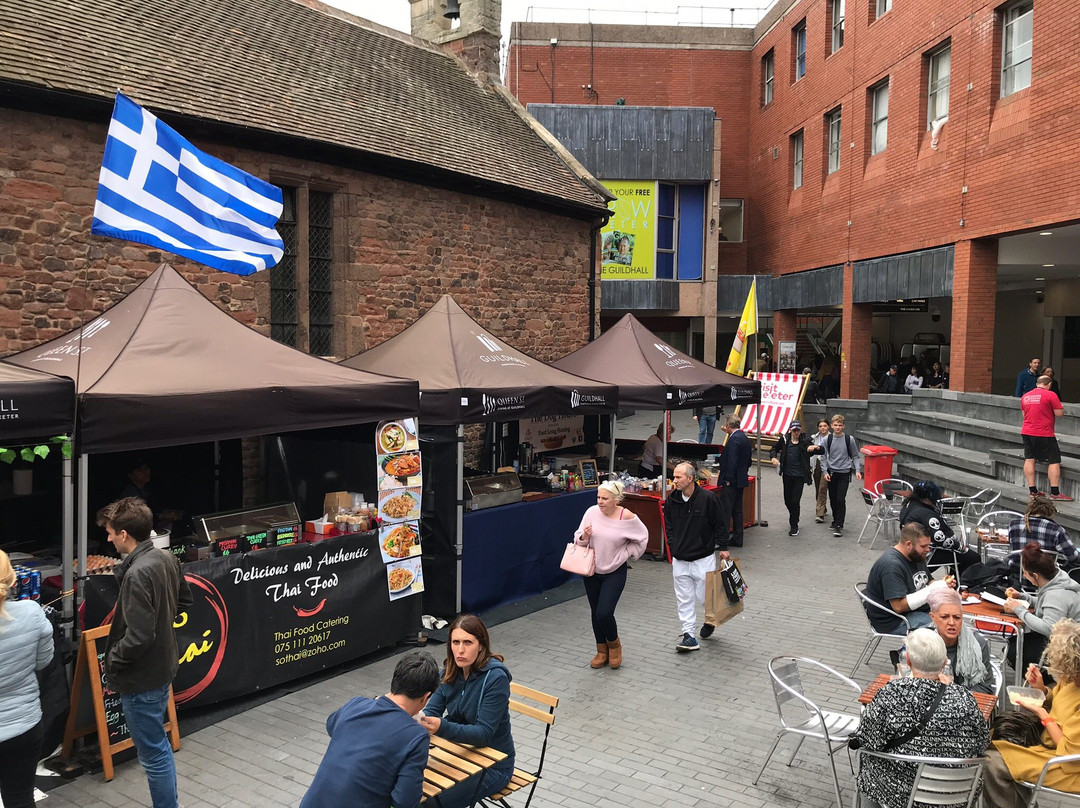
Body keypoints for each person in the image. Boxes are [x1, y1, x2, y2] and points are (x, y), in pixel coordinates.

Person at [99, 497, 193, 808]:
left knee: (153, 754)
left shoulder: (138, 573)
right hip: (162, 668)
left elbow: (138, 636)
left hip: (142, 678)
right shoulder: (166, 559)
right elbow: (185, 601)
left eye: (111, 532)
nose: (109, 538)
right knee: (159, 749)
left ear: (124, 534)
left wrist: (113, 660)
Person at [849, 629, 989, 808]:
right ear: (945, 662)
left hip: (899, 792)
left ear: (908, 661)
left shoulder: (891, 694)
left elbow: (868, 740)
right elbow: (983, 742)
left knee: (866, 760)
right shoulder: (965, 698)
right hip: (954, 794)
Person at [300, 651, 440, 808]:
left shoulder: (356, 704)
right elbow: (405, 801)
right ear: (426, 697)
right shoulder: (416, 736)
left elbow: (331, 725)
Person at [983, 618, 1080, 806]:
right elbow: (1060, 701)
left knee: (991, 763)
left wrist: (1043, 715)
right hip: (1050, 745)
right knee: (993, 738)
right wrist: (1041, 690)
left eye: (1070, 671)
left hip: (1069, 766)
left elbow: (1069, 755)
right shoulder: (1072, 679)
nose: (1065, 676)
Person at [421, 615, 515, 808]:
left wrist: (440, 726)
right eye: (455, 642)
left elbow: (484, 734)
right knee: (405, 789)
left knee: (430, 804)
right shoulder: (450, 669)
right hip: (457, 750)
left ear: (481, 645)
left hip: (494, 764)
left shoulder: (496, 679)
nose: (460, 650)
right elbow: (431, 710)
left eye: (468, 642)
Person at [573, 480, 648, 669]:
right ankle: (601, 650)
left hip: (614, 571)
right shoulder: (591, 513)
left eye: (604, 498)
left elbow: (642, 538)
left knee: (604, 612)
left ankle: (614, 645)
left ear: (616, 499)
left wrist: (627, 553)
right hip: (591, 570)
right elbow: (577, 537)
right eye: (598, 497)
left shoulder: (627, 517)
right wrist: (584, 537)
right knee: (595, 612)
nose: (600, 501)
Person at [0, 550, 54, 808]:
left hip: (22, 723)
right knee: (20, 798)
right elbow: (43, 662)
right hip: (24, 725)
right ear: (12, 581)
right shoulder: (32, 613)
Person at [663, 461, 729, 652]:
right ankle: (688, 635)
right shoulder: (672, 500)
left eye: (678, 477)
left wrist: (723, 547)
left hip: (702, 558)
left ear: (690, 478)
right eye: (674, 476)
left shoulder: (708, 498)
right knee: (684, 598)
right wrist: (673, 545)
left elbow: (720, 523)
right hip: (680, 559)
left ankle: (711, 619)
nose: (674, 480)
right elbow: (669, 526)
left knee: (704, 596)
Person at [1003, 542, 1080, 673]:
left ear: (1035, 576)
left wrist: (1019, 610)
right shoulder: (1058, 580)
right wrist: (1023, 597)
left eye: (1025, 573)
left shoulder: (1055, 595)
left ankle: (1043, 682)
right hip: (1067, 638)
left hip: (1071, 648)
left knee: (1015, 651)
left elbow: (1049, 628)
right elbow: (1047, 604)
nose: (1025, 575)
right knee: (1014, 642)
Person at [864, 522, 944, 634]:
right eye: (923, 546)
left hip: (917, 611)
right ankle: (912, 650)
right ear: (908, 544)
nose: (928, 550)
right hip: (895, 621)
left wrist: (942, 586)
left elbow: (929, 581)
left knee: (952, 619)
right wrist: (933, 589)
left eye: (928, 545)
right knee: (945, 629)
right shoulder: (892, 566)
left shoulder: (916, 555)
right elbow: (898, 607)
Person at [899, 479, 981, 578]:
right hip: (928, 553)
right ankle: (962, 588)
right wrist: (960, 546)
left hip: (909, 548)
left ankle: (953, 582)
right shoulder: (927, 514)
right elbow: (940, 539)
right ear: (929, 498)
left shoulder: (908, 505)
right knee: (973, 557)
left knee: (958, 557)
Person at [927, 587, 995, 695]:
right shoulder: (923, 642)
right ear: (933, 617)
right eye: (944, 617)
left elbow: (985, 689)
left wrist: (954, 697)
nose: (952, 623)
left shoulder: (977, 644)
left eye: (957, 617)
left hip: (966, 704)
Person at [1021, 374, 1072, 500]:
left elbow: (1024, 414)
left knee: (1030, 458)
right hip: (1044, 432)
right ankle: (1055, 493)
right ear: (1049, 384)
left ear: (1037, 383)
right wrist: (1062, 408)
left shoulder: (1025, 396)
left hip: (1027, 431)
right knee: (1054, 460)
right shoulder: (1050, 395)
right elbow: (1059, 413)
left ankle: (1033, 490)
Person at [1007, 496, 1080, 581]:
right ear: (1050, 512)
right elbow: (1074, 557)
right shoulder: (1056, 530)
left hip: (1017, 577)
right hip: (1046, 580)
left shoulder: (1013, 525)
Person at [769, 420, 820, 536]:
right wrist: (773, 458)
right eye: (794, 430)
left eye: (798, 430)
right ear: (790, 430)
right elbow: (773, 449)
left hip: (799, 477)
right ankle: (794, 516)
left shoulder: (805, 441)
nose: (796, 432)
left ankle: (794, 525)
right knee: (787, 501)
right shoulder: (785, 440)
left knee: (795, 501)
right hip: (787, 475)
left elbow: (820, 450)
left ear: (800, 430)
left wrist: (816, 448)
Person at [822, 414, 862, 537]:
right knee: (833, 499)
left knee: (840, 499)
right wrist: (825, 472)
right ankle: (835, 520)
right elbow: (823, 457)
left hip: (844, 472)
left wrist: (857, 470)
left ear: (843, 426)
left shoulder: (849, 439)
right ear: (832, 426)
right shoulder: (827, 440)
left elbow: (855, 455)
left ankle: (839, 524)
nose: (838, 427)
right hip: (832, 472)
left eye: (840, 425)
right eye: (835, 425)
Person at [717, 413, 751, 547]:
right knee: (737, 510)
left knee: (725, 511)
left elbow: (731, 461)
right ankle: (738, 538)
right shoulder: (744, 438)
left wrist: (728, 479)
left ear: (729, 426)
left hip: (731, 481)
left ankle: (723, 541)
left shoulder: (733, 440)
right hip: (741, 480)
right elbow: (748, 461)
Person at [811, 419, 831, 524]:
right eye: (820, 426)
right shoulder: (814, 438)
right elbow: (811, 454)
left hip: (827, 465)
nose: (823, 428)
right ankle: (823, 508)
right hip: (817, 464)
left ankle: (820, 513)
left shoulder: (832, 438)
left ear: (828, 427)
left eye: (825, 425)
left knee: (822, 488)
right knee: (817, 488)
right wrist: (810, 467)